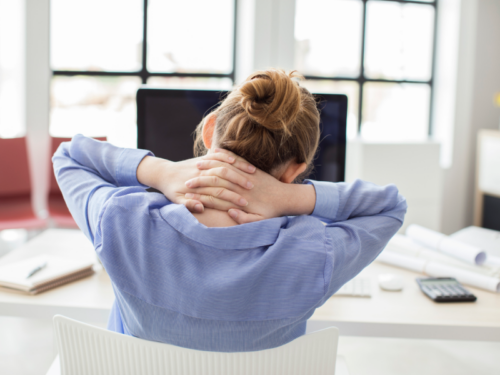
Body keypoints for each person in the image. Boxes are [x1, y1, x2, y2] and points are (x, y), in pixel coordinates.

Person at [53, 69, 407, 352]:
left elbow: (70, 156)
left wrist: (160, 171)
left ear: (209, 132)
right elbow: (390, 206)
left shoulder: (121, 219)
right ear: (295, 169)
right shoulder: (314, 254)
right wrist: (289, 197)